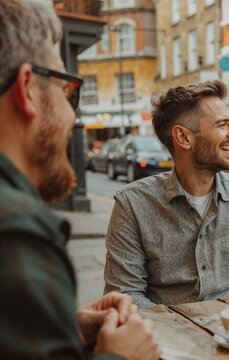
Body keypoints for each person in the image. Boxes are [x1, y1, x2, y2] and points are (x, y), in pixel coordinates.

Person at [0, 0, 159, 358]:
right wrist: (120, 355)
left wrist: (64, 328)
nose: (73, 118)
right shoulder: (18, 232)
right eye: (66, 88)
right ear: (27, 88)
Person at [104, 80, 229, 308]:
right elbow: (125, 296)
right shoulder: (132, 205)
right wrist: (191, 331)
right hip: (168, 338)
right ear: (184, 138)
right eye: (222, 124)